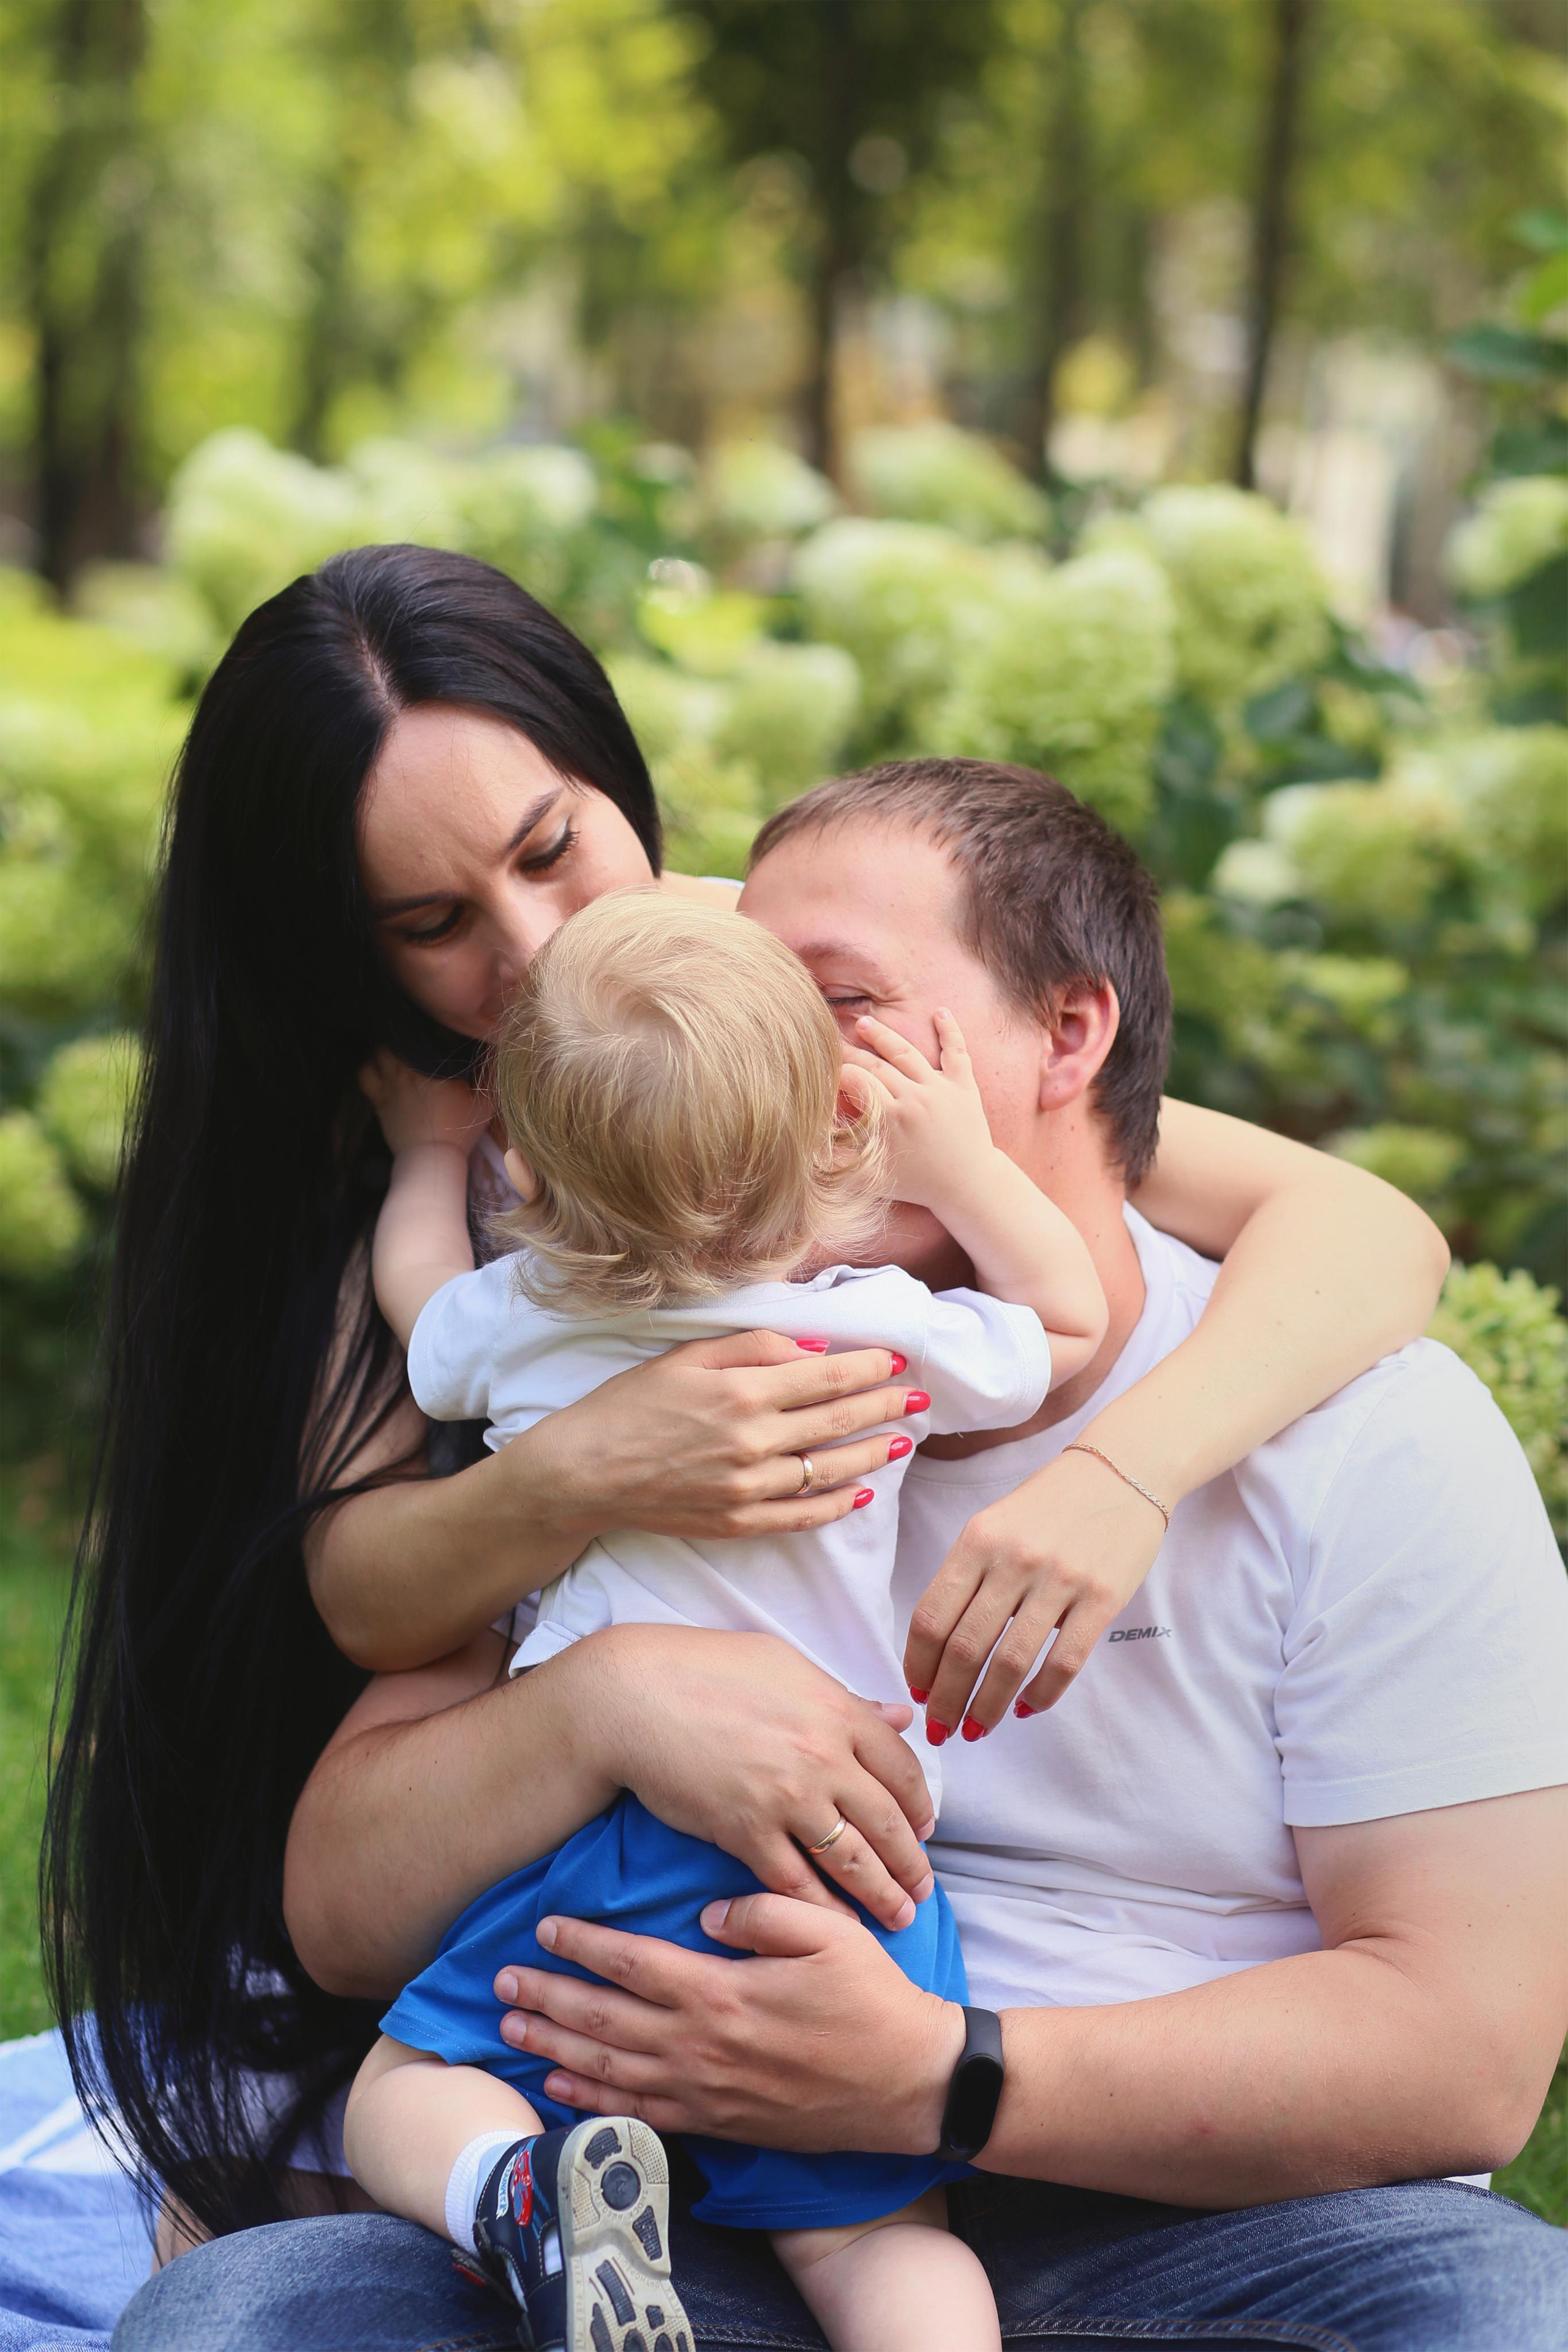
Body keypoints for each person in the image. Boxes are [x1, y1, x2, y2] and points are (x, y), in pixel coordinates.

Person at [49, 541, 1446, 2343]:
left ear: (611, 778)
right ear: (350, 955)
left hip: (868, 1940)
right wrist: (596, 1475)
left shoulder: (782, 1002)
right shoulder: (414, 1127)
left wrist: (1123, 1472)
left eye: (551, 850)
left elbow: (1365, 1232)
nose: (530, 951)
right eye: (431, 924)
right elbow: (368, 1592)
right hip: (567, 1857)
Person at [344, 888, 1111, 2351]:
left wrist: (424, 1153)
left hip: (616, 1839)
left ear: (534, 1172)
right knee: (879, 2241)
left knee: (399, 2093)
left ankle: (523, 2195)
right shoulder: (868, 1330)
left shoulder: (527, 1314)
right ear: (837, 1132)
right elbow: (1062, 1326)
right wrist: (958, 1168)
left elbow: (418, 1303)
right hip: (840, 1855)